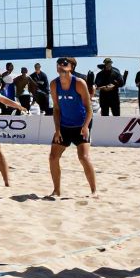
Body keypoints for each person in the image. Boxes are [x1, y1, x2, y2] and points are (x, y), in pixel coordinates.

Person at [49, 56, 96, 197]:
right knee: (53, 157)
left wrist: (86, 127)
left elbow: (89, 109)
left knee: (83, 157)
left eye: (64, 64)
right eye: (59, 64)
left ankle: (94, 191)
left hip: (81, 124)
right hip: (64, 125)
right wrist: (57, 130)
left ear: (72, 67)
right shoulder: (54, 84)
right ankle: (56, 191)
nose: (61, 66)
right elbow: (56, 109)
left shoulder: (79, 83)